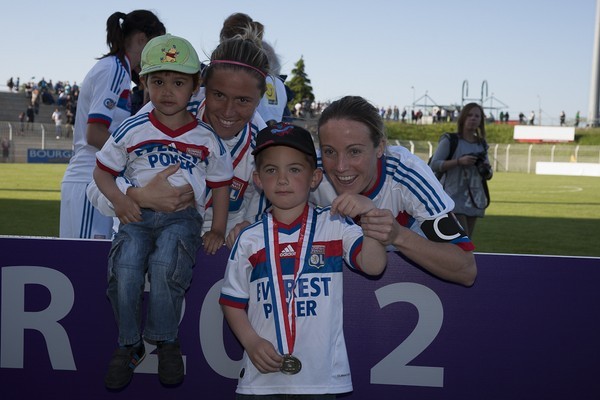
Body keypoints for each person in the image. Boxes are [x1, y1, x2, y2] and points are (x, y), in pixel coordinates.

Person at [94, 34, 233, 390]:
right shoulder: (131, 128)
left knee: (164, 264)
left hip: (182, 218)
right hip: (136, 216)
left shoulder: (206, 137)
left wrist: (217, 227)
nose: (167, 90)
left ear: (195, 86)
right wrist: (123, 199)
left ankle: (165, 339)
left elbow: (220, 184)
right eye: (157, 81)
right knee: (124, 270)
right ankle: (129, 344)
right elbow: (101, 172)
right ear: (144, 84)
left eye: (178, 82)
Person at [233, 96, 477, 287]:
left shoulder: (406, 175)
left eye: (355, 152)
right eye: (329, 151)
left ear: (380, 147)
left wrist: (397, 236)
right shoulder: (310, 174)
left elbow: (466, 268)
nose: (340, 167)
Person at [220, 122, 388, 397]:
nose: (282, 179)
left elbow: (374, 265)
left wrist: (370, 216)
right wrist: (250, 342)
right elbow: (231, 302)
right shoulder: (249, 238)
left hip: (322, 380)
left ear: (315, 177)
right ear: (258, 179)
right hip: (260, 380)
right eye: (272, 170)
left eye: (295, 169)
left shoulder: (334, 225)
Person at [86, 24, 271, 241]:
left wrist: (249, 228)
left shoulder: (262, 147)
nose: (228, 111)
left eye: (243, 100)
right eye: (218, 95)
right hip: (144, 247)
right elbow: (94, 189)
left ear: (260, 99)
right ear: (201, 87)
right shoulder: (167, 112)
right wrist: (137, 196)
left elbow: (269, 215)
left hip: (213, 260)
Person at [59, 10, 166, 239]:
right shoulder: (115, 69)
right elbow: (95, 133)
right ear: (141, 39)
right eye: (157, 46)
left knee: (85, 268)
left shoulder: (120, 70)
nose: (160, 56)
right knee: (86, 267)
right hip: (91, 180)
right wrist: (134, 157)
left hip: (92, 180)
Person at [429, 102, 492, 239]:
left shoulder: (481, 144)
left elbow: (489, 175)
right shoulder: (450, 140)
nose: (473, 118)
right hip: (453, 197)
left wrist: (485, 168)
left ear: (481, 121)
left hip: (474, 199)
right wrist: (459, 162)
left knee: (467, 241)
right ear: (463, 118)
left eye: (477, 116)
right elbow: (434, 164)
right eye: (469, 115)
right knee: (463, 242)